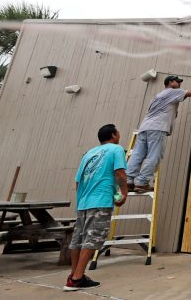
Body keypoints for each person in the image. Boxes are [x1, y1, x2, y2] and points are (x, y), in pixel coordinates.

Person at [66, 123, 127, 291]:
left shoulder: (89, 154)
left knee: (78, 239)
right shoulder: (117, 149)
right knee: (93, 239)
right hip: (100, 201)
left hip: (84, 202)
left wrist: (81, 200)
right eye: (118, 132)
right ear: (114, 135)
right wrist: (124, 193)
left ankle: (74, 276)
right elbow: (120, 173)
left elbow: (78, 180)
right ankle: (77, 279)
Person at [126, 75, 191, 193]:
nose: (179, 84)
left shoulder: (157, 96)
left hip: (144, 127)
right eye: (177, 81)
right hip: (157, 128)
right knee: (154, 155)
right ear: (170, 82)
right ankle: (142, 183)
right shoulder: (172, 92)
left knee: (138, 154)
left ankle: (128, 180)